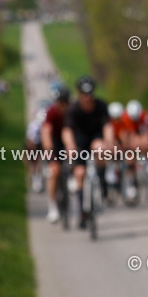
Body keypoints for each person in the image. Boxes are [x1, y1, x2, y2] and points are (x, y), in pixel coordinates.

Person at [62, 76, 115, 228]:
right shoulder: (73, 109)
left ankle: (102, 181)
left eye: (90, 93)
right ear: (79, 93)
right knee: (79, 174)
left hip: (96, 137)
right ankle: (82, 212)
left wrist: (109, 143)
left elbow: (107, 127)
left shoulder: (101, 106)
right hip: (79, 141)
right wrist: (70, 146)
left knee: (100, 149)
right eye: (84, 94)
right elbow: (67, 130)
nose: (87, 97)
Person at [41, 83, 71, 223]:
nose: (63, 106)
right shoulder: (51, 112)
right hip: (54, 142)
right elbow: (46, 132)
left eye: (65, 102)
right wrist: (49, 150)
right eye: (60, 103)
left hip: (69, 141)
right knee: (54, 172)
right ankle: (52, 207)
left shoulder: (72, 111)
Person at [117, 99, 148, 201]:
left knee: (146, 142)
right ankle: (131, 183)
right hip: (129, 134)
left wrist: (145, 144)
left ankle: (146, 160)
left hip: (139, 133)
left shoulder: (144, 116)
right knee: (129, 158)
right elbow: (126, 135)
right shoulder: (125, 117)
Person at [24, 100, 49, 193]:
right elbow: (30, 140)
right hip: (33, 145)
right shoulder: (33, 125)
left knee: (40, 162)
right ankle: (34, 178)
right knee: (34, 162)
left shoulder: (46, 125)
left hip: (42, 144)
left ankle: (39, 177)